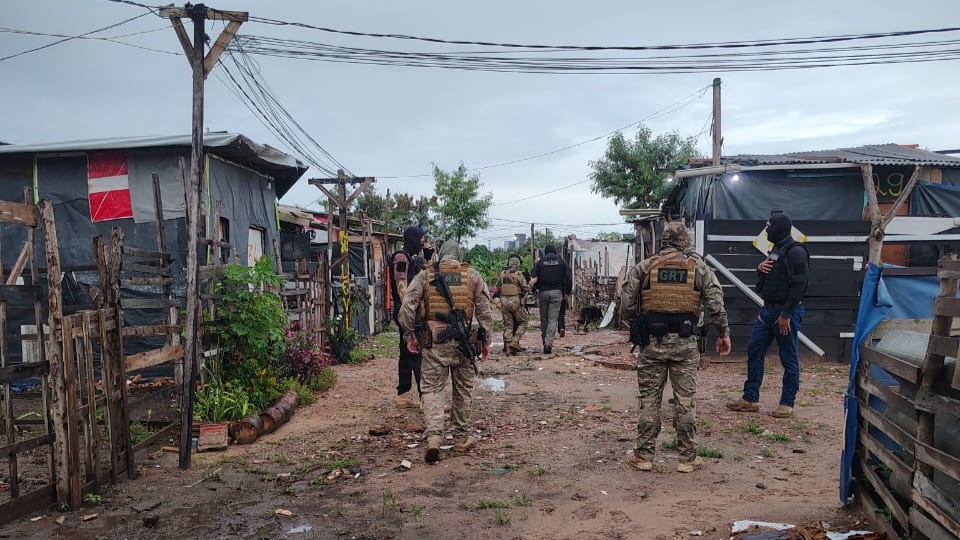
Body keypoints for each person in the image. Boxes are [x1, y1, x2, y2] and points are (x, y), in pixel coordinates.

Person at [620, 222, 731, 473]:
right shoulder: (698, 267)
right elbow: (715, 304)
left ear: (663, 241)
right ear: (685, 241)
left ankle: (644, 456)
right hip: (685, 344)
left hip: (652, 344)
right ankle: (687, 459)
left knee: (649, 400)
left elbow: (625, 303)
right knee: (685, 401)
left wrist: (637, 324)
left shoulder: (646, 266)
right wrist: (723, 333)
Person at [397, 240, 493, 463]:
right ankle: (460, 439)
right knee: (462, 391)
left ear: (441, 254)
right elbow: (485, 313)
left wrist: (409, 336)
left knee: (430, 389)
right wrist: (486, 340)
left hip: (434, 345)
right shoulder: (474, 276)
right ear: (459, 255)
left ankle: (433, 438)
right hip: (463, 344)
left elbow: (406, 309)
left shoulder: (424, 276)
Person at [726, 212, 809, 418]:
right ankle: (750, 399)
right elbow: (765, 284)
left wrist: (786, 315)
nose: (766, 229)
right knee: (755, 350)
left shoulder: (796, 252)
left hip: (785, 313)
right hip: (767, 311)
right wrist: (760, 270)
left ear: (779, 228)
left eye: (769, 225)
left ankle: (787, 403)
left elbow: (800, 286)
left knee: (788, 358)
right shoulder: (775, 251)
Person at [389, 225, 434, 409]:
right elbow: (402, 289)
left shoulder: (413, 259)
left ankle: (404, 393)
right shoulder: (401, 258)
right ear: (413, 239)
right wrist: (411, 311)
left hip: (411, 310)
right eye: (422, 239)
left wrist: (429, 258)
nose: (423, 243)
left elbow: (429, 276)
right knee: (416, 351)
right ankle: (426, 398)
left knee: (406, 353)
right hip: (407, 311)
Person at [530, 244, 571, 354]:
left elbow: (533, 277)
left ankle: (544, 341)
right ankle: (548, 343)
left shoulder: (540, 262)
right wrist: (567, 292)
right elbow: (569, 277)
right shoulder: (561, 262)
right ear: (555, 251)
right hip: (557, 293)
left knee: (544, 319)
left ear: (546, 252)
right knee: (553, 319)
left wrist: (534, 291)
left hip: (543, 293)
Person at [496, 254, 530, 355]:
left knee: (508, 325)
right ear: (518, 264)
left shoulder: (502, 274)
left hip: (504, 303)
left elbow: (498, 288)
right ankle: (515, 342)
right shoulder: (519, 275)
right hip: (515, 303)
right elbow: (526, 288)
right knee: (524, 321)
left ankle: (507, 346)